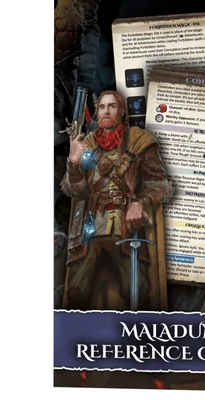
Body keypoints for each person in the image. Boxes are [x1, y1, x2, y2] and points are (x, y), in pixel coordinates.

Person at [61, 90, 169, 310]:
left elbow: (160, 184)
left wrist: (140, 202)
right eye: (102, 107)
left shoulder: (138, 141)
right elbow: (78, 190)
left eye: (112, 106)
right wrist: (73, 164)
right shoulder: (87, 144)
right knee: (76, 292)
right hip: (90, 228)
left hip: (125, 228)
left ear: (122, 111)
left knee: (136, 292)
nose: (106, 111)